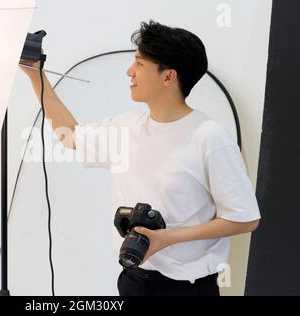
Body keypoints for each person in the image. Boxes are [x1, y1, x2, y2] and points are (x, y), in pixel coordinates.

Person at [20, 20, 261, 296]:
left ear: (168, 77)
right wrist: (35, 75)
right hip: (133, 280)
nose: (129, 72)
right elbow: (70, 135)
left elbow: (245, 218)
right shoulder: (125, 128)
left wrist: (167, 238)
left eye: (140, 64)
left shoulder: (210, 138)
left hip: (187, 289)